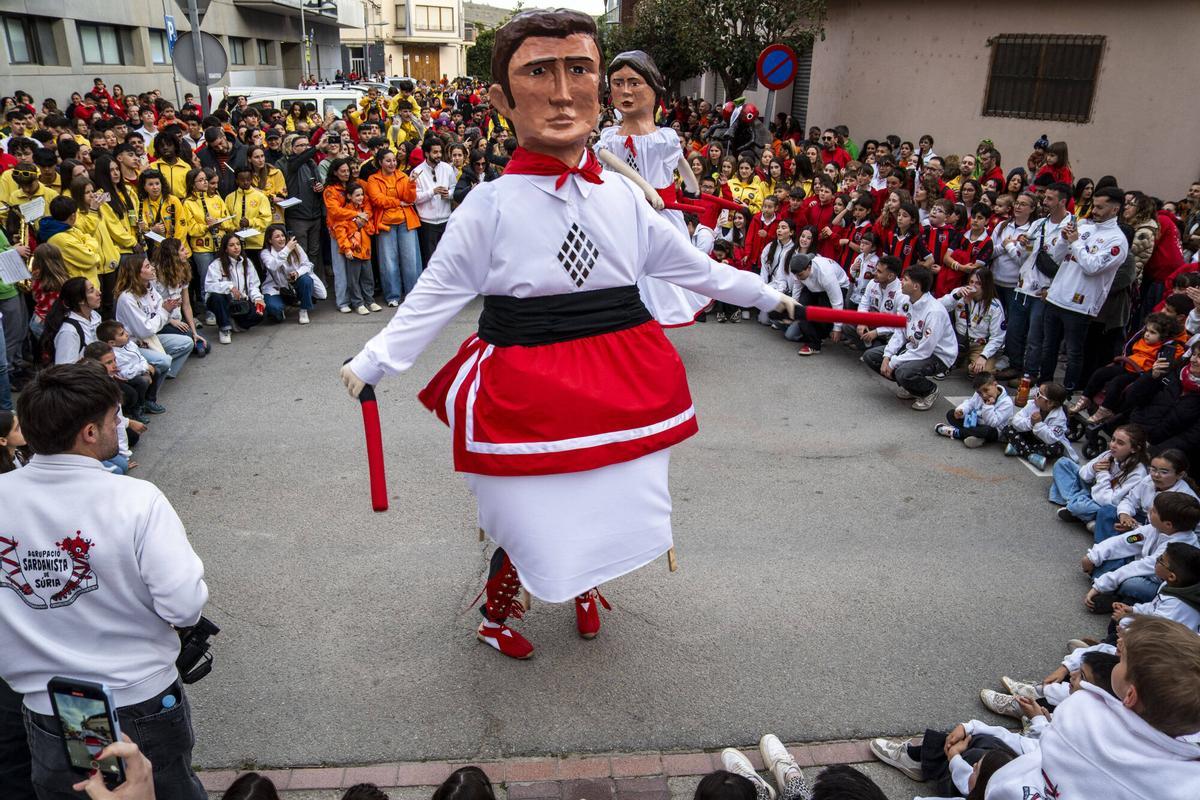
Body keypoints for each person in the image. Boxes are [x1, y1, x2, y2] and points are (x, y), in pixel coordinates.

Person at [340, 9, 796, 659]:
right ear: (501, 99)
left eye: (578, 70)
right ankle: (497, 614)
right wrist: (376, 359)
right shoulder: (489, 206)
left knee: (607, 505)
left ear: (598, 88)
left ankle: (585, 582)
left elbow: (697, 270)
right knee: (532, 515)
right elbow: (435, 294)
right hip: (527, 380)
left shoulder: (623, 199)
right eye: (538, 72)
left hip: (622, 377)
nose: (561, 93)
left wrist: (770, 295)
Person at [0, 361, 209, 800]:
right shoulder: (136, 500)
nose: (121, 424)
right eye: (115, 417)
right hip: (137, 700)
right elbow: (183, 605)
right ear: (90, 432)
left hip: (48, 705)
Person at [594, 50, 711, 327]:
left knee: (661, 278)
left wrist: (692, 190)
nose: (625, 91)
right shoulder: (609, 138)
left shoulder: (665, 137)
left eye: (634, 82)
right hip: (621, 215)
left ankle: (648, 328)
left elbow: (681, 164)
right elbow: (619, 168)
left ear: (654, 86)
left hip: (660, 216)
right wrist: (648, 190)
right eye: (618, 83)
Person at [1039, 186, 1128, 393]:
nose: (1094, 210)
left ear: (1115, 209)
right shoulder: (1084, 226)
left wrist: (1075, 242)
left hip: (1079, 304)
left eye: (1100, 207)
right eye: (1093, 206)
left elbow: (1092, 267)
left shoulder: (1117, 240)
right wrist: (1063, 240)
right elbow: (1057, 256)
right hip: (1056, 296)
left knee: (1073, 352)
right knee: (1048, 346)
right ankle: (1042, 386)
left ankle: (1067, 392)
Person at [1083, 490, 1200, 610]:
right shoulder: (1154, 528)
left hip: (1159, 585)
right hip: (1145, 571)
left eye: (1154, 511)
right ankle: (1120, 598)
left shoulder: (1178, 547)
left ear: (1168, 524)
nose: (1149, 510)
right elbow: (1126, 541)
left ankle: (1121, 600)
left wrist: (1100, 585)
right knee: (1111, 558)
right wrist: (1093, 556)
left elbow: (1142, 566)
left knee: (1131, 584)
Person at [862, 265, 958, 410]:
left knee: (902, 371)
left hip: (937, 355)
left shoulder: (934, 312)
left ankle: (929, 391)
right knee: (871, 356)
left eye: (905, 279)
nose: (901, 281)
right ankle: (911, 386)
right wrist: (887, 356)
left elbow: (925, 350)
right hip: (914, 346)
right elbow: (899, 332)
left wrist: (893, 362)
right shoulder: (906, 301)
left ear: (916, 286)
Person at [113, 252, 192, 381]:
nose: (153, 268)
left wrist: (169, 306)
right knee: (165, 360)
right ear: (136, 273)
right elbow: (145, 330)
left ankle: (164, 373)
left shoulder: (148, 288)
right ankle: (154, 377)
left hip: (152, 337)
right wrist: (165, 311)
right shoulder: (127, 298)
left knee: (187, 342)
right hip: (136, 343)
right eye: (147, 266)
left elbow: (159, 310)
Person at [1050, 424, 1150, 525]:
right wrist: (1093, 468)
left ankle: (1077, 507)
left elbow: (1109, 501)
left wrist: (1102, 473)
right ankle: (1075, 504)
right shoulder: (1109, 454)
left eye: (1120, 443)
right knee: (1063, 463)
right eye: (1113, 440)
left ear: (1134, 449)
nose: (1113, 445)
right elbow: (1083, 474)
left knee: (1083, 507)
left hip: (1106, 503)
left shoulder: (1137, 473)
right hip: (1093, 490)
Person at [365, 149, 422, 307]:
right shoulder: (373, 179)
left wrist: (411, 183)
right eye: (388, 161)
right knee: (388, 262)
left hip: (405, 221)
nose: (392, 163)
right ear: (380, 162)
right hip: (385, 224)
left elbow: (410, 199)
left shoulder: (403, 176)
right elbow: (377, 199)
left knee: (411, 260)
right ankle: (392, 296)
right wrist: (398, 202)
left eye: (394, 160)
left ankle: (413, 295)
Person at [776, 252, 849, 356]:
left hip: (838, 286)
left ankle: (816, 341)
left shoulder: (826, 275)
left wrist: (837, 328)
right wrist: (791, 310)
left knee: (824, 312)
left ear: (809, 267)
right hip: (813, 286)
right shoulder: (798, 272)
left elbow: (837, 301)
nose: (798, 277)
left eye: (800, 275)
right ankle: (812, 338)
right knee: (801, 309)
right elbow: (796, 291)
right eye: (796, 275)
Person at [938, 267, 1006, 376]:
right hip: (957, 340)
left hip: (979, 344)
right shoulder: (960, 292)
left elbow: (997, 337)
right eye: (971, 282)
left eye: (978, 283)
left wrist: (984, 356)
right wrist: (956, 296)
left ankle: (969, 364)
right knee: (936, 363)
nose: (973, 286)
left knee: (983, 373)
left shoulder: (994, 306)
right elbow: (937, 307)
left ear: (986, 285)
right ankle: (956, 361)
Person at [260, 224, 327, 325]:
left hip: (293, 283)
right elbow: (273, 266)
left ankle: (303, 310)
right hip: (276, 287)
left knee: (306, 280)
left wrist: (297, 273)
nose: (281, 239)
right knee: (275, 310)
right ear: (270, 240)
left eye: (282, 235)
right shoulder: (265, 253)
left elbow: (308, 265)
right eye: (277, 237)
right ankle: (282, 308)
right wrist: (287, 249)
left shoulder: (295, 247)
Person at [97, 319, 163, 418]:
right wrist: (144, 368)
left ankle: (149, 400)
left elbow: (140, 357)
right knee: (142, 381)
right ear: (112, 343)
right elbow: (125, 374)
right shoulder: (115, 354)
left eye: (124, 331)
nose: (127, 334)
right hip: (127, 378)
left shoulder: (129, 344)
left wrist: (146, 368)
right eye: (122, 334)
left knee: (156, 371)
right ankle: (137, 407)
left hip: (139, 370)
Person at [205, 232, 264, 343]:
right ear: (225, 249)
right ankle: (224, 328)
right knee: (217, 297)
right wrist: (229, 287)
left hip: (241, 301)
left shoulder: (247, 262)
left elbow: (254, 285)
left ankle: (233, 321)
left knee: (261, 313)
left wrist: (258, 299)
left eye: (238, 244)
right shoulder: (217, 264)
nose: (236, 247)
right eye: (231, 245)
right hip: (225, 301)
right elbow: (210, 285)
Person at [936, 370, 1015, 448]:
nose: (984, 395)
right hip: (975, 423)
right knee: (951, 414)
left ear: (995, 384)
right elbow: (970, 404)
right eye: (980, 393)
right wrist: (961, 411)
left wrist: (988, 406)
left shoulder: (1006, 403)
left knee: (986, 431)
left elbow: (993, 423)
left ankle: (956, 432)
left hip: (993, 429)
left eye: (986, 390)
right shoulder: (979, 394)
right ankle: (976, 437)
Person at [410, 137, 456, 265]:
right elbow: (415, 198)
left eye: (440, 152)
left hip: (446, 220)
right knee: (430, 261)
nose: (439, 155)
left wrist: (448, 194)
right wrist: (432, 192)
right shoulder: (417, 172)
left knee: (447, 258)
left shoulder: (447, 168)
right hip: (427, 223)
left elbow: (454, 188)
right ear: (426, 153)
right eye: (435, 152)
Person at [42, 276, 101, 364]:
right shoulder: (69, 332)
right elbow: (65, 368)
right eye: (91, 291)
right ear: (80, 300)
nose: (99, 292)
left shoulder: (95, 316)